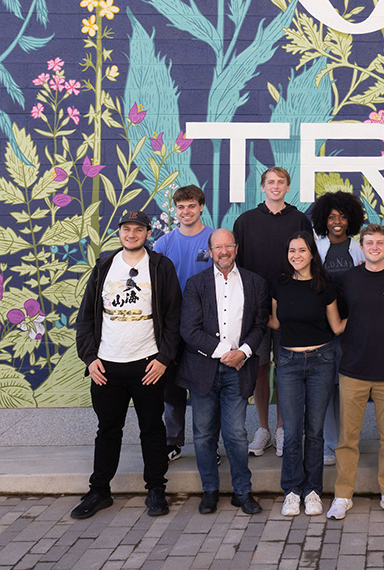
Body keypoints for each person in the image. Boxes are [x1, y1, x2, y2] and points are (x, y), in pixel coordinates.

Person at [72, 210, 182, 520]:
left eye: (137, 229)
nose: (131, 234)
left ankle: (157, 490)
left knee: (152, 429)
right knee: (108, 429)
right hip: (107, 366)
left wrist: (164, 359)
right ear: (119, 232)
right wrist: (90, 358)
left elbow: (174, 317)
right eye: (125, 229)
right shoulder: (105, 265)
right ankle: (99, 491)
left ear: (148, 233)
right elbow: (87, 318)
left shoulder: (161, 267)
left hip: (148, 364)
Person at [178, 229, 268, 515]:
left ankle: (242, 492)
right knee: (204, 434)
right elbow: (188, 330)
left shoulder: (255, 283)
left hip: (239, 369)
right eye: (218, 247)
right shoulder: (195, 284)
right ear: (210, 251)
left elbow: (260, 325)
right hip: (204, 370)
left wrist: (242, 352)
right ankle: (210, 490)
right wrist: (225, 353)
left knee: (237, 434)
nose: (224, 251)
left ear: (236, 248)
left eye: (228, 245)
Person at [326, 224, 384, 521]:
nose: (374, 247)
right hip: (353, 369)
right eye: (369, 243)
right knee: (347, 438)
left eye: (380, 243)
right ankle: (342, 495)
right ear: (361, 247)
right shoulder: (348, 280)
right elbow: (332, 311)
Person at [233, 166, 312, 458]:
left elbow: (308, 261)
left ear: (287, 187)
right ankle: (263, 428)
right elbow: (236, 267)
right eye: (270, 182)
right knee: (260, 369)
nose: (275, 186)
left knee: (286, 368)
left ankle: (282, 429)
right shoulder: (245, 221)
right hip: (255, 308)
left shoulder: (300, 219)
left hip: (290, 306)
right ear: (262, 187)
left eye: (281, 182)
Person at [270, 232, 345, 517]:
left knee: (314, 432)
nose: (296, 255)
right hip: (288, 361)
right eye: (292, 250)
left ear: (312, 253)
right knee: (291, 432)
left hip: (321, 360)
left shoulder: (325, 285)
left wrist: (371, 314)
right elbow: (275, 322)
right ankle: (291, 490)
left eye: (302, 250)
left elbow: (337, 327)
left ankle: (313, 491)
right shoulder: (279, 284)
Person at [152, 184, 213, 462]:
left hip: (207, 325)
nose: (186, 211)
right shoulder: (163, 244)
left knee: (207, 390)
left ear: (201, 207)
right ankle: (172, 441)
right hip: (172, 326)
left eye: (191, 206)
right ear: (175, 211)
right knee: (172, 388)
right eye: (180, 207)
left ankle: (208, 446)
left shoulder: (214, 240)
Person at [310, 191, 366, 466]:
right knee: (327, 389)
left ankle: (349, 442)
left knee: (350, 387)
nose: (337, 222)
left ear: (350, 219)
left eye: (342, 217)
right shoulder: (316, 248)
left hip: (353, 328)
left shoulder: (360, 248)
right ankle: (331, 445)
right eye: (332, 217)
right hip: (322, 329)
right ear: (323, 219)